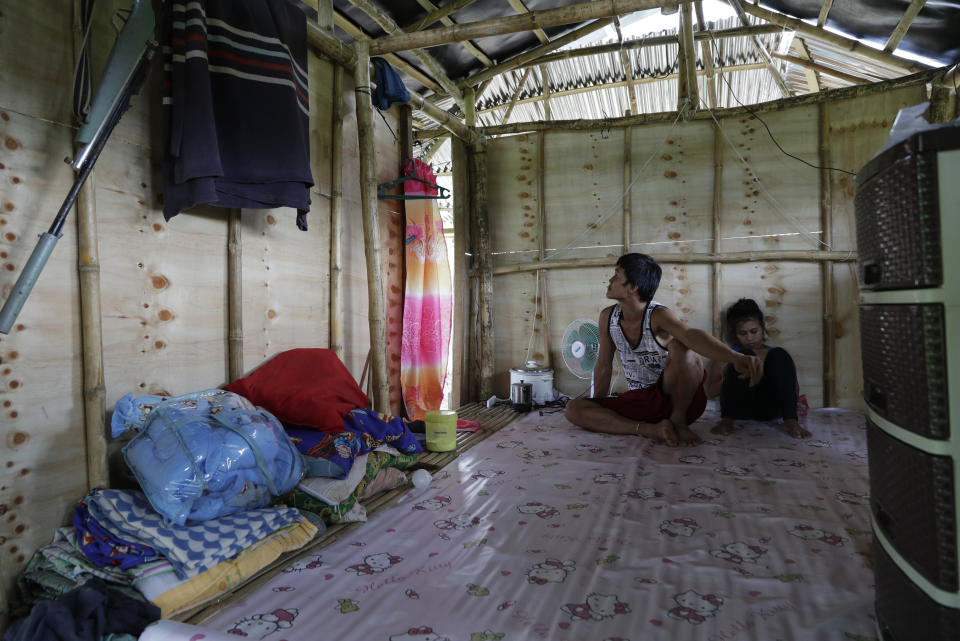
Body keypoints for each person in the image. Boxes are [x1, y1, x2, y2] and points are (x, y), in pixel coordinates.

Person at [565, 253, 763, 447]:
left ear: (633, 287)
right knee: (574, 409)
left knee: (683, 348)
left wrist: (734, 357)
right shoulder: (608, 317)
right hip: (640, 402)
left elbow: (691, 335)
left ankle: (678, 422)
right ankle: (652, 429)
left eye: (617, 275)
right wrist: (599, 404)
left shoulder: (658, 315)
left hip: (675, 400)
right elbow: (603, 366)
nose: (610, 280)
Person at [706, 298, 811, 439]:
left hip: (771, 409)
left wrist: (766, 373)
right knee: (745, 357)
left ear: (762, 328)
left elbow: (794, 391)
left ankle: (791, 421)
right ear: (735, 335)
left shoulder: (775, 357)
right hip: (740, 409)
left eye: (754, 331)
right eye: (743, 333)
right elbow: (710, 392)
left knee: (780, 353)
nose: (749, 338)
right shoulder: (726, 356)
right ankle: (726, 421)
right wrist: (735, 373)